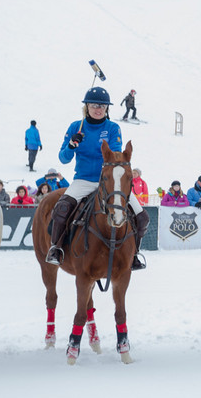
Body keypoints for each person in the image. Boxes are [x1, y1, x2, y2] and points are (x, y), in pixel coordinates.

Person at [45, 87, 149, 271]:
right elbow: (64, 158)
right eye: (94, 105)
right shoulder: (75, 127)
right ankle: (57, 248)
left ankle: (134, 254)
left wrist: (109, 153)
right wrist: (71, 145)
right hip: (83, 180)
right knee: (61, 210)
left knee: (142, 217)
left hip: (109, 182)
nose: (98, 109)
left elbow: (116, 155)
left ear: (107, 108)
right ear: (87, 107)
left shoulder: (112, 128)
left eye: (102, 105)